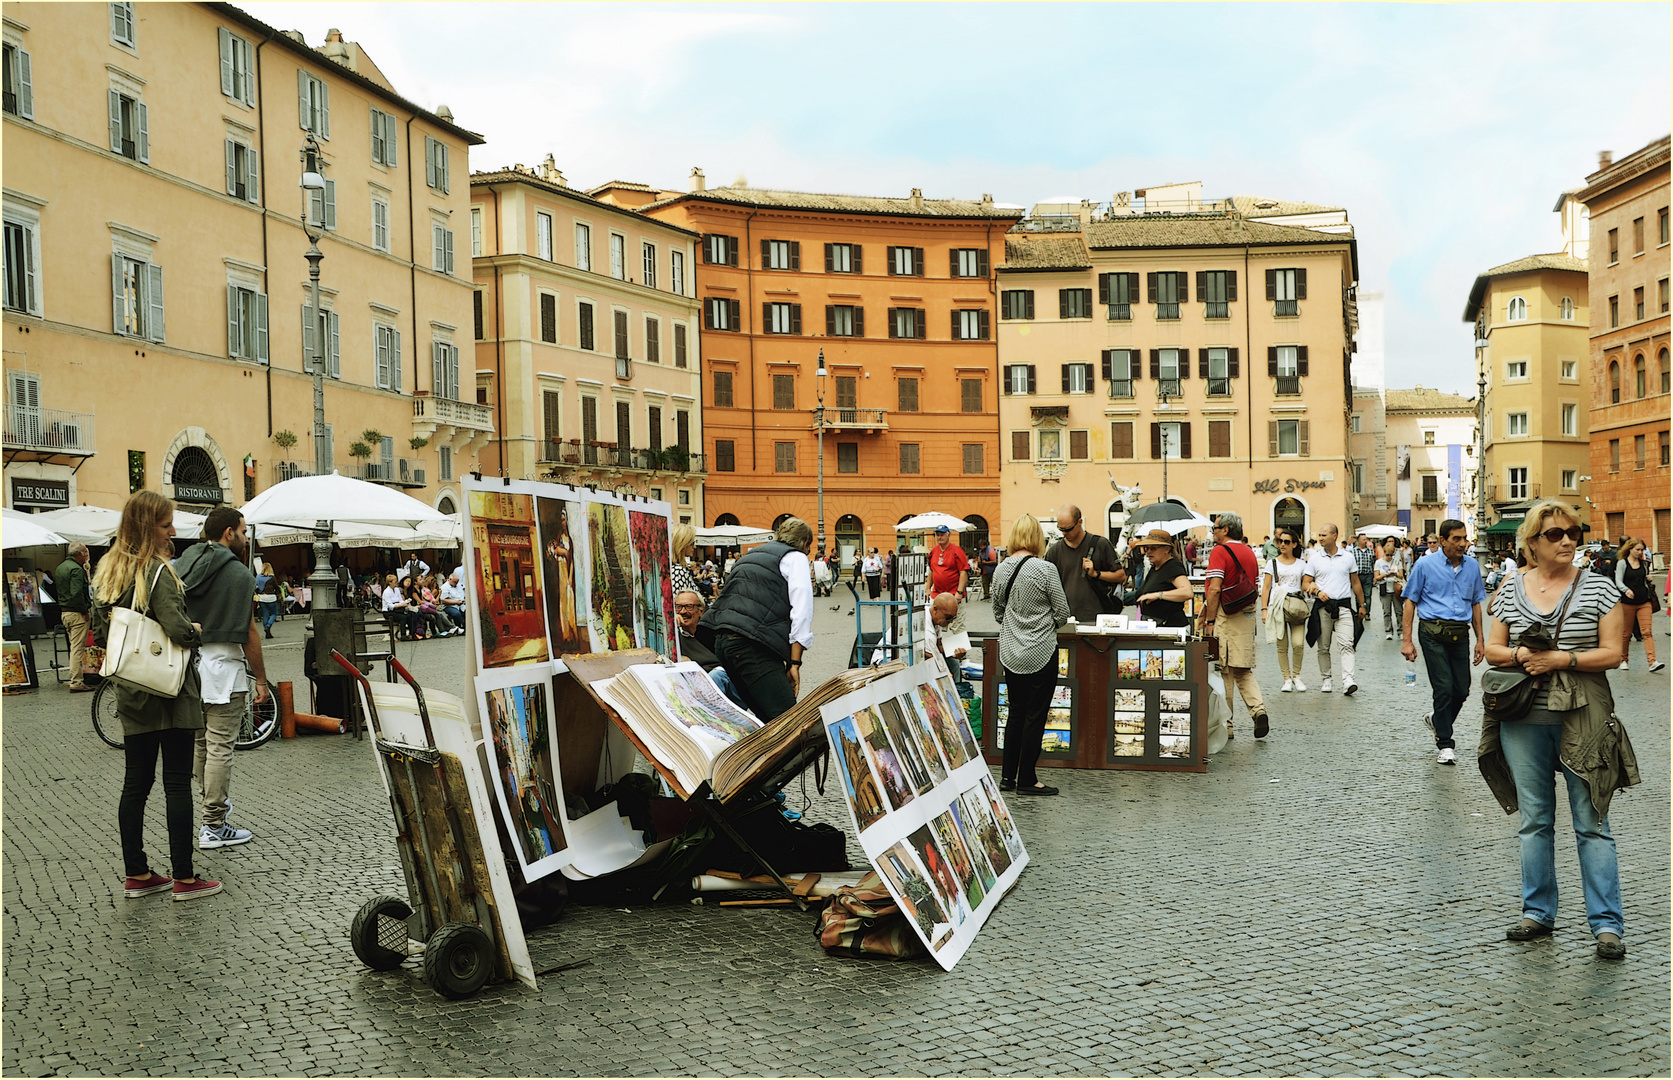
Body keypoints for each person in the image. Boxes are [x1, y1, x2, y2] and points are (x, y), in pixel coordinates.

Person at [1480, 501, 1637, 960]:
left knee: (1592, 824)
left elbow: (1612, 652)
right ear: (1532, 542)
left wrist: (1561, 658)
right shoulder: (1511, 588)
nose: (1568, 540)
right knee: (1535, 822)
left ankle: (1607, 926)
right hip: (1523, 720)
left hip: (1583, 717)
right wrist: (1522, 657)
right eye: (1555, 534)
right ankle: (1537, 913)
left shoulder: (1600, 588)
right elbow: (1492, 647)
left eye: (1573, 532)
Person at [91, 491, 219, 901]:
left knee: (136, 783)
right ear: (149, 528)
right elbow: (178, 630)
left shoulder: (109, 570)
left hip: (131, 689)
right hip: (168, 690)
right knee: (178, 784)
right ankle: (184, 876)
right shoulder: (157, 573)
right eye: (166, 525)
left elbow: (101, 631)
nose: (173, 531)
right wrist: (194, 631)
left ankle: (138, 874)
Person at [697, 517, 815, 721]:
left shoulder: (749, 556)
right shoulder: (795, 557)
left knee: (766, 718)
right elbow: (802, 610)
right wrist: (795, 663)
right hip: (751, 644)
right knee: (788, 721)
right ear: (805, 543)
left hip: (723, 642)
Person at [990, 514, 1070, 797]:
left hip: (1012, 652)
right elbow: (1061, 613)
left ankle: (1007, 777)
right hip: (1041, 652)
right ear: (1038, 538)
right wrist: (1042, 623)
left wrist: (1016, 624)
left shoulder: (1001, 570)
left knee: (1015, 713)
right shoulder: (1046, 569)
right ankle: (1028, 779)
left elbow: (998, 612)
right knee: (1035, 716)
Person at [1400, 519, 1487, 765]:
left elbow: (1476, 603)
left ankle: (1437, 719)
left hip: (1460, 633)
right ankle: (1446, 744)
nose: (1463, 543)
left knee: (1462, 688)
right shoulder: (1425, 565)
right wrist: (1407, 641)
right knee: (1444, 687)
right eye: (1456, 539)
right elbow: (1410, 602)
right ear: (1442, 541)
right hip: (1431, 631)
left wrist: (1481, 640)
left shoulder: (1471, 567)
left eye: (1465, 538)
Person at [1201, 513, 1269, 739]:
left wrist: (1210, 621)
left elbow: (1214, 589)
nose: (1214, 532)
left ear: (1226, 530)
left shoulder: (1220, 551)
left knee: (1225, 671)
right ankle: (1258, 710)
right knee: (1244, 669)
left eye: (1215, 528)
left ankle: (1226, 725)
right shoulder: (1249, 551)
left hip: (1225, 614)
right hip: (1246, 613)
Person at [1044, 504, 1124, 624]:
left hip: (1097, 617)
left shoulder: (1101, 544)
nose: (1064, 533)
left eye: (1068, 529)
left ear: (1080, 522)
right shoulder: (1054, 551)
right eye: (1061, 529)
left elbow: (1121, 576)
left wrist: (1096, 574)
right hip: (1065, 619)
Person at [673, 589, 745, 706]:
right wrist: (672, 626)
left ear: (701, 611)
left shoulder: (714, 631)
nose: (683, 611)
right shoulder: (676, 638)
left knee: (716, 676)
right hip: (697, 686)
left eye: (689, 607)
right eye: (678, 607)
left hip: (727, 682)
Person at [1260, 529, 1309, 692]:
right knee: (1282, 645)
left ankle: (1297, 675)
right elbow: (1266, 587)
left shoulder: (1302, 564)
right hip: (1277, 606)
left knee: (1298, 643)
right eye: (1280, 541)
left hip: (1296, 605)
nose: (1282, 544)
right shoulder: (1272, 563)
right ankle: (1287, 678)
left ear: (1294, 544)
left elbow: (1306, 584)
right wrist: (1264, 609)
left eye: (1286, 542)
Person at [1613, 538, 1662, 672]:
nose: (1640, 552)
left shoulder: (1644, 563)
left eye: (1642, 550)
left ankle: (1652, 662)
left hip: (1644, 601)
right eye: (1637, 550)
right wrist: (1626, 590)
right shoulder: (1622, 563)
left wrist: (1649, 578)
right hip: (1628, 603)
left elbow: (1645, 580)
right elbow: (1618, 581)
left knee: (1647, 632)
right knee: (1626, 633)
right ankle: (1623, 659)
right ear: (1630, 549)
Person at [1129, 530, 1193, 628]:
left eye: (1153, 548)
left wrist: (1158, 595)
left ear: (1167, 549)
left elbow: (1187, 592)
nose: (1148, 552)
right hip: (1154, 626)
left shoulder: (1173, 566)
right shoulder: (1155, 567)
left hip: (1171, 628)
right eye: (1147, 548)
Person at [54, 541, 94, 693]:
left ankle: (75, 678)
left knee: (73, 647)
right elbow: (76, 593)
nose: (86, 556)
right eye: (85, 552)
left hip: (65, 612)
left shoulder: (60, 567)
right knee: (77, 649)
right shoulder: (76, 569)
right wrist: (84, 610)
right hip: (77, 613)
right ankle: (76, 681)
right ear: (79, 554)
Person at [1374, 539, 1404, 639]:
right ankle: (1388, 631)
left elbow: (1401, 575)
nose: (1389, 557)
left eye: (1391, 555)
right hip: (1384, 589)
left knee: (1399, 611)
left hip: (1395, 589)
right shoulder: (1379, 562)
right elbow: (1376, 577)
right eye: (1387, 555)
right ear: (1384, 553)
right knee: (1387, 612)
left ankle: (1400, 631)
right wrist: (1385, 575)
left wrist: (1395, 574)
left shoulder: (1396, 562)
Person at [670, 524, 698, 599]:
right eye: (692, 543)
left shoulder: (674, 569)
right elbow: (681, 603)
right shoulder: (678, 571)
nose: (694, 547)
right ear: (682, 544)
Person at [253, 562, 279, 638]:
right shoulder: (272, 578)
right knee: (274, 613)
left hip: (262, 597)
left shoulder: (258, 577)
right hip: (271, 597)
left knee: (265, 614)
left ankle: (267, 631)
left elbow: (256, 587)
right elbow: (276, 587)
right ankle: (268, 626)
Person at [1353, 535, 1377, 619]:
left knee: (1367, 594)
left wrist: (1374, 575)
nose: (1365, 541)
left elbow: (1374, 563)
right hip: (1357, 576)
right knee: (1358, 594)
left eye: (1366, 539)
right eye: (1363, 539)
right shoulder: (1353, 551)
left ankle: (1367, 613)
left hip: (1368, 575)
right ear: (1359, 541)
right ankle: (1359, 611)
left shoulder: (1371, 551)